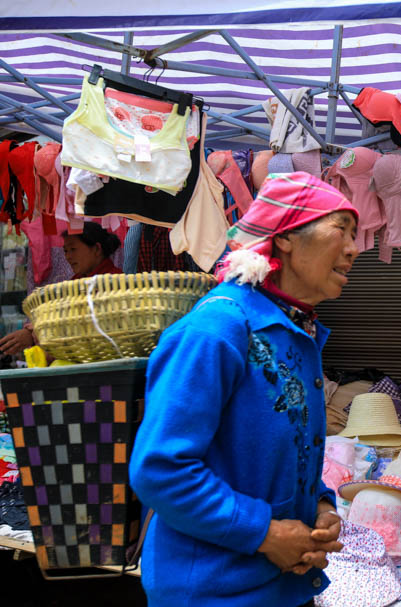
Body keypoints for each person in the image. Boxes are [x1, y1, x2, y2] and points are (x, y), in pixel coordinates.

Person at [129, 172, 358, 606]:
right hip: (212, 592)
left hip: (279, 588)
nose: (353, 248)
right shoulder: (218, 329)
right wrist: (266, 533)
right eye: (341, 230)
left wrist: (322, 507)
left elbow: (283, 453)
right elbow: (160, 469)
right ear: (288, 237)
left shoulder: (293, 332)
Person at [0, 222, 122, 356]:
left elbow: (86, 326)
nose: (68, 256)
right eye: (65, 251)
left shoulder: (114, 282)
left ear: (97, 249)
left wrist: (36, 333)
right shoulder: (74, 284)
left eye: (73, 249)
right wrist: (32, 331)